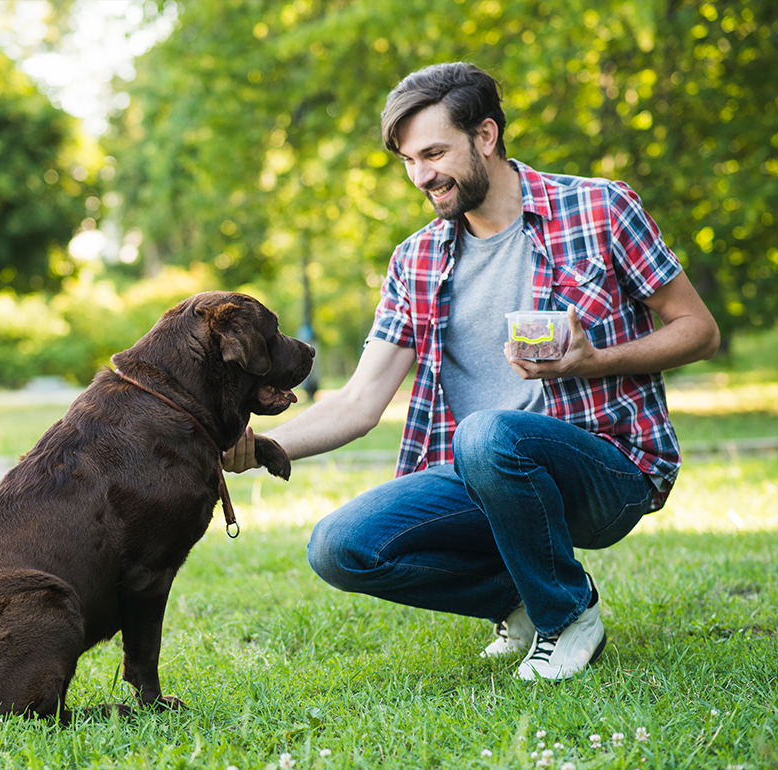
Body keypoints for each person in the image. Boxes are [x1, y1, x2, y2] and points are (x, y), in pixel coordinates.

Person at [221, 62, 720, 681]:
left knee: (487, 432)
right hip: (484, 474)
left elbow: (698, 330)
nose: (421, 175)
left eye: (434, 153)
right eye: (408, 160)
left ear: (486, 136)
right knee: (340, 548)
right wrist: (257, 445)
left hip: (607, 467)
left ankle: (569, 616)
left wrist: (595, 360)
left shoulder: (599, 208)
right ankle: (527, 602)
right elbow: (358, 402)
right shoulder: (416, 259)